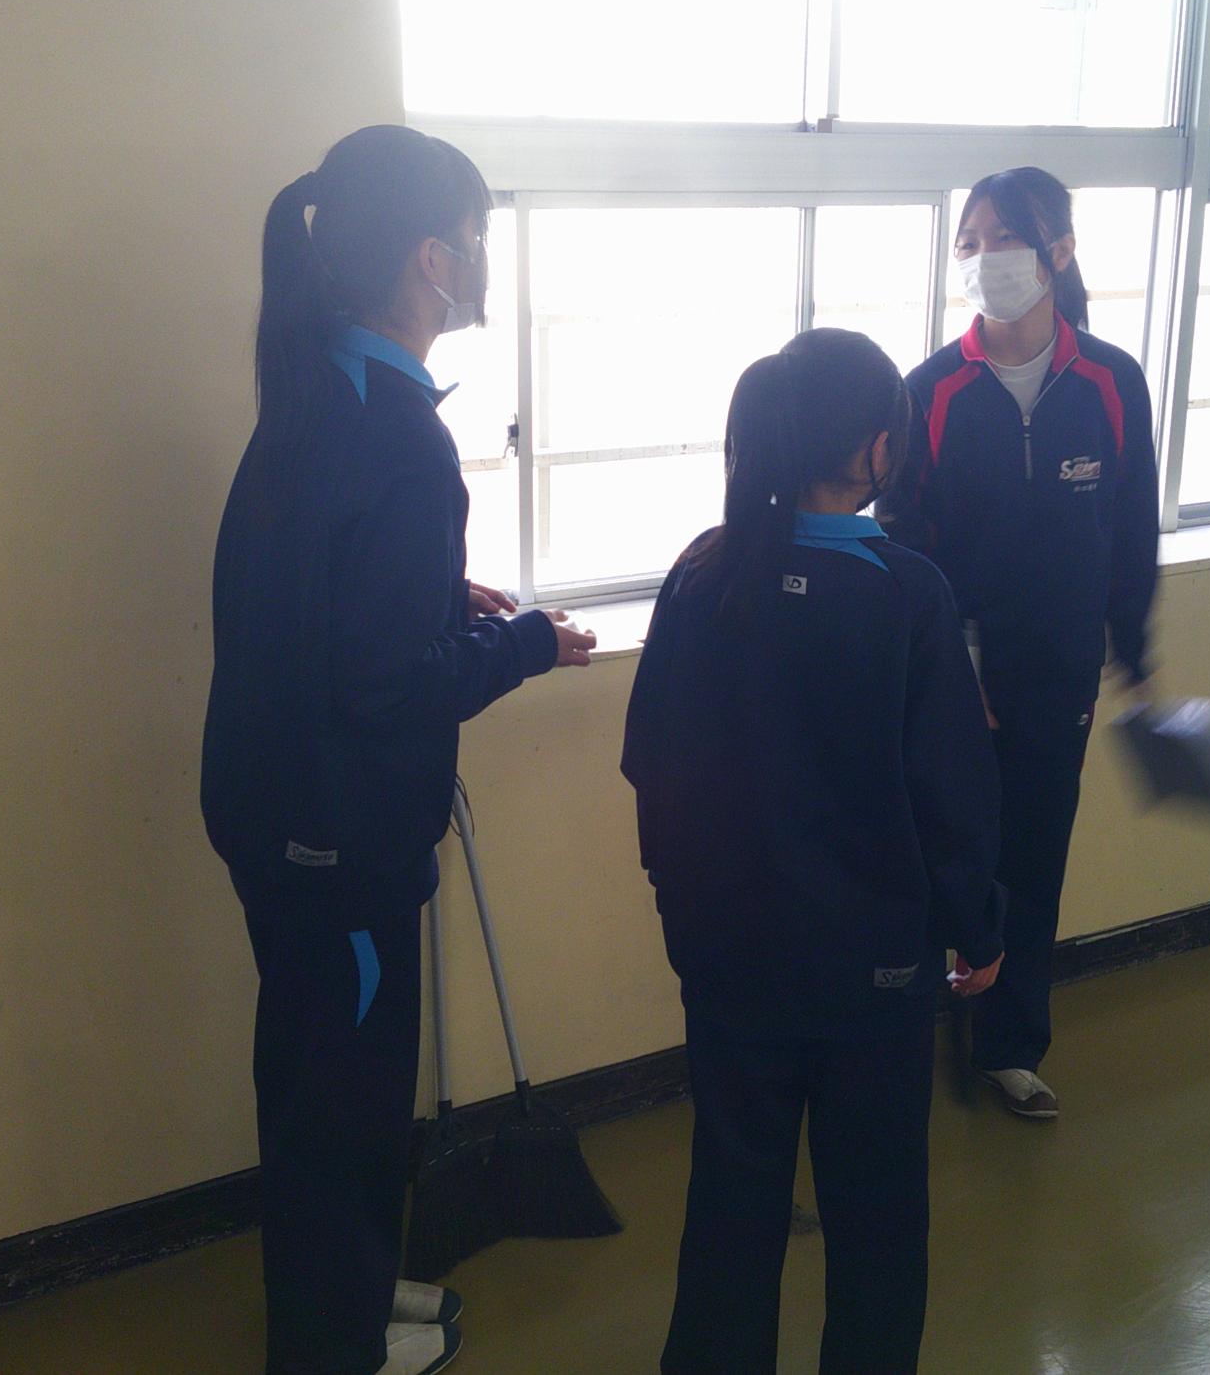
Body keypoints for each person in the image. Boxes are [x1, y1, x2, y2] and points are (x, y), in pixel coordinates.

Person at [201, 124, 596, 1375]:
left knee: (316, 1079)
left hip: (275, 810)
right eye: (475, 237)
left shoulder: (326, 386)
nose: (482, 259)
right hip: (337, 839)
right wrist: (522, 643)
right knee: (344, 1104)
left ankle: (356, 1293)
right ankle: (335, 1345)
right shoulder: (392, 432)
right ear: (432, 258)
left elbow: (317, 603)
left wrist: (436, 597)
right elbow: (384, 689)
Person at [623, 328, 1007, 1375]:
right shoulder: (907, 593)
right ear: (876, 450)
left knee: (729, 1205)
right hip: (871, 978)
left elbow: (650, 762)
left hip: (727, 963)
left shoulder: (701, 577)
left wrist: (683, 912)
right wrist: (978, 929)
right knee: (876, 1218)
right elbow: (952, 796)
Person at [881, 167, 1159, 1123]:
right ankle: (910, 1040)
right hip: (952, 681)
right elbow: (902, 545)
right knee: (943, 856)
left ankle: (1009, 1048)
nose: (983, 257)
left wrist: (1134, 654)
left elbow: (1132, 532)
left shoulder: (1111, 383)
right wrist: (949, 673)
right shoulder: (930, 390)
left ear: (1059, 252)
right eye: (969, 242)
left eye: (1003, 238)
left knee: (1034, 861)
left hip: (1058, 676)